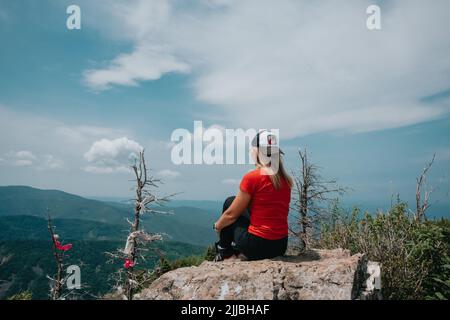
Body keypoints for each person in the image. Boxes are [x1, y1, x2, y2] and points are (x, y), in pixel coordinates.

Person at [213, 130, 293, 261]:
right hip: (280, 245)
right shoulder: (286, 180)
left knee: (229, 203)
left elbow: (230, 215)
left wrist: (217, 226)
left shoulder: (252, 178)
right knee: (233, 202)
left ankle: (225, 252)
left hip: (257, 246)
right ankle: (230, 249)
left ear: (257, 151)